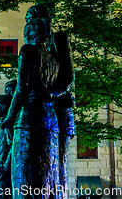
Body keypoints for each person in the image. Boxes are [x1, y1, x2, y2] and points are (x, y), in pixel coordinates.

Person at [1, 5, 60, 199]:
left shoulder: (28, 51)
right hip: (50, 122)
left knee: (23, 180)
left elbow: (21, 87)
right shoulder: (53, 59)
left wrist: (9, 118)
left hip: (28, 120)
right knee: (44, 177)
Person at [47, 30, 75, 199]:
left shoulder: (62, 64)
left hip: (60, 119)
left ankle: (58, 194)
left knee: (59, 162)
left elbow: (65, 84)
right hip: (53, 118)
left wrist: (47, 95)